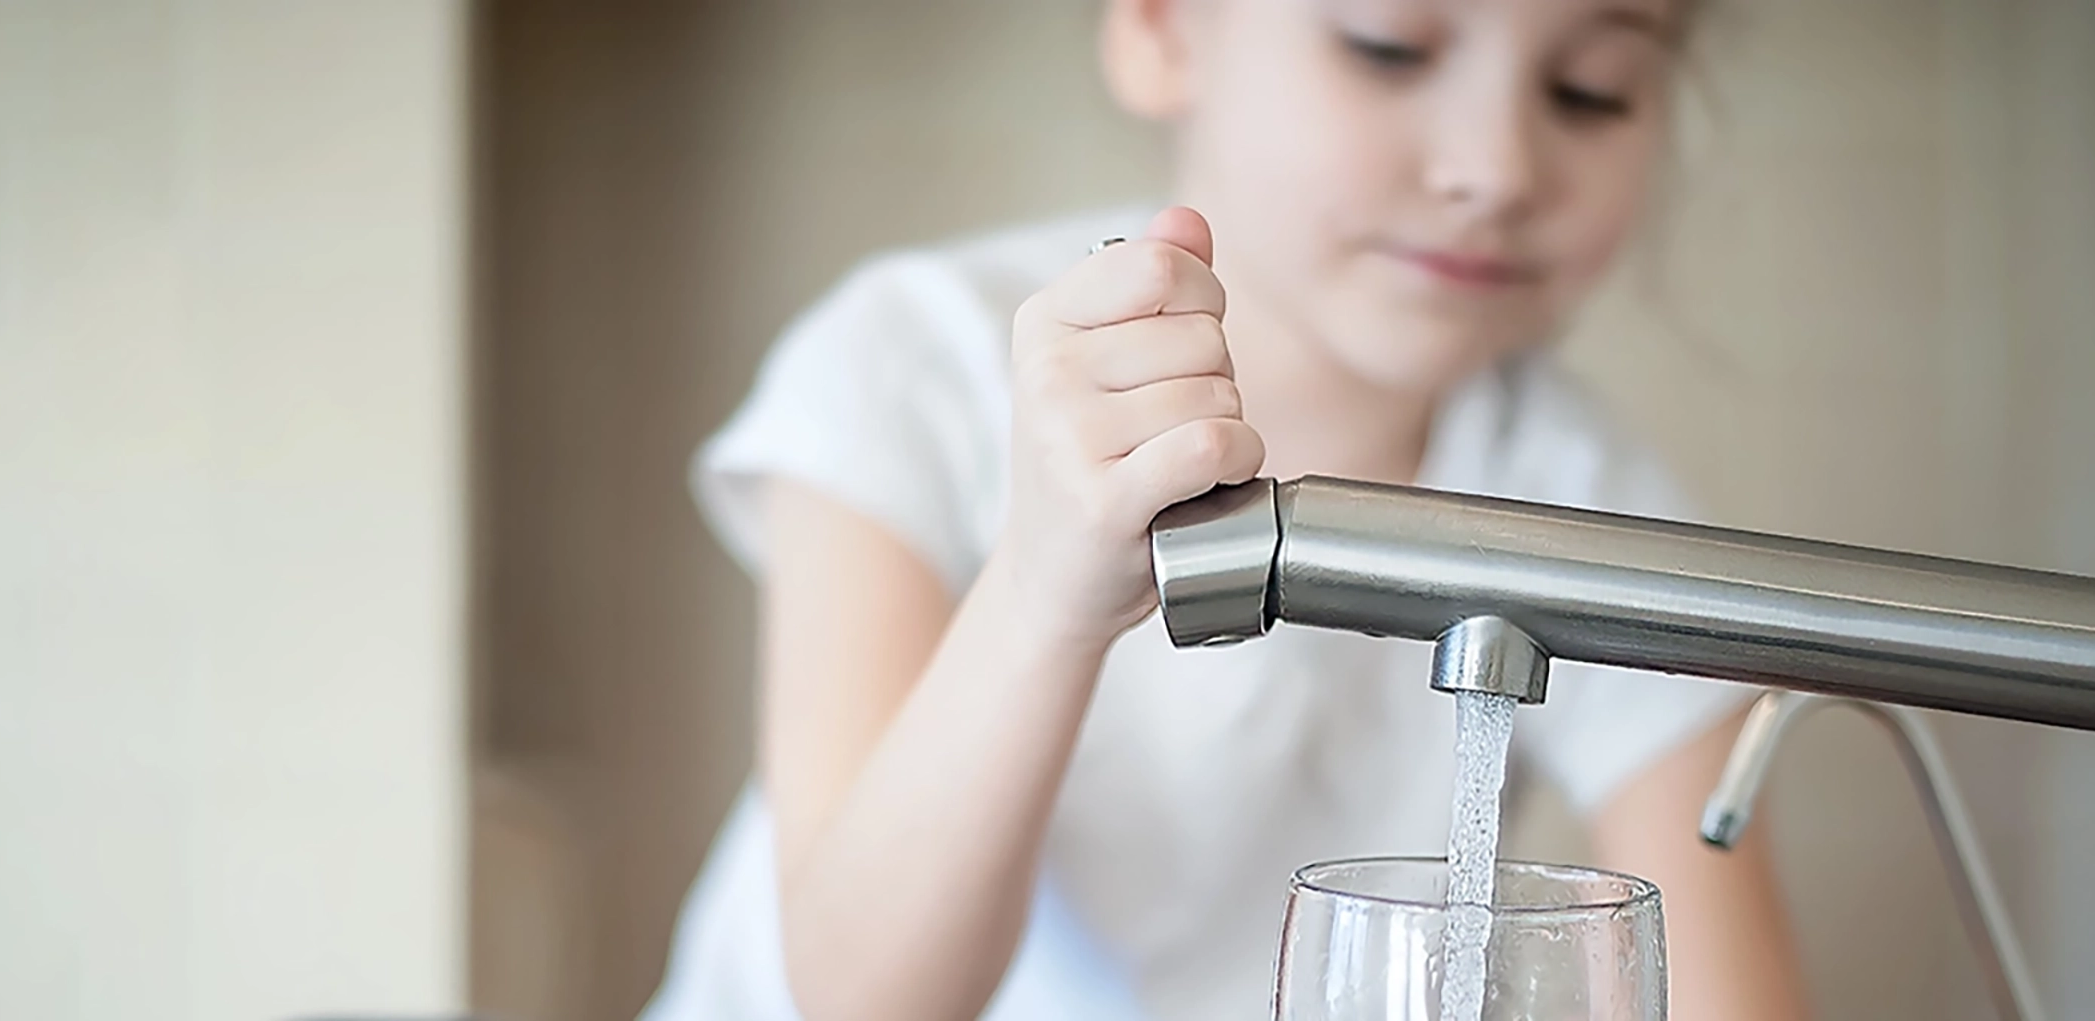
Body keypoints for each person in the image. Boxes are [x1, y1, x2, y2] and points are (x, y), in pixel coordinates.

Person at [643, 0, 1811, 1018]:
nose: (1497, 165)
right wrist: (1045, 594)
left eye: (1587, 90)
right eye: (1388, 46)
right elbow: (863, 995)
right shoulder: (916, 363)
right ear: (1160, 24)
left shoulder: (1578, 495)